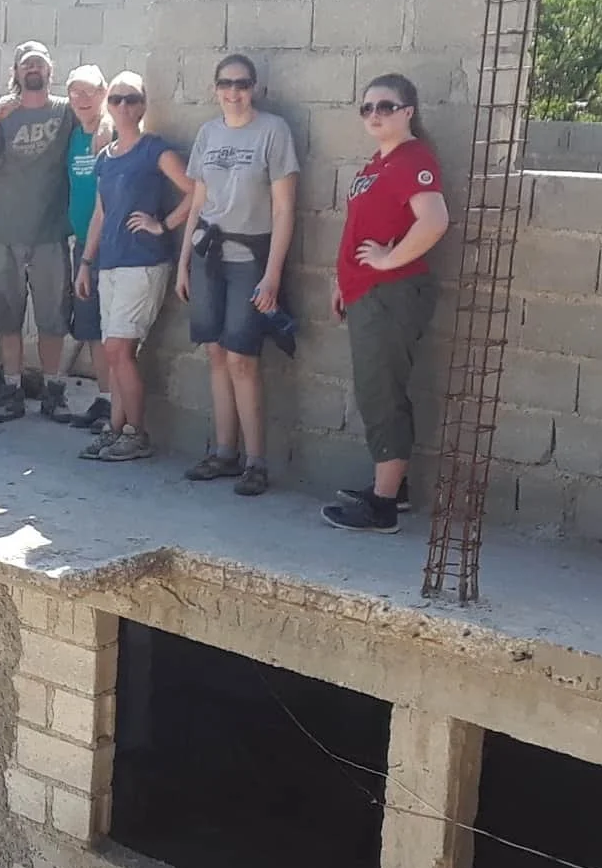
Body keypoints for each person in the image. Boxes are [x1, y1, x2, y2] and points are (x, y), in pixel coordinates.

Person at [322, 72, 451, 534]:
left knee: (380, 393)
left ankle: (381, 505)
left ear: (408, 112)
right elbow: (363, 229)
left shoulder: (412, 159)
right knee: (378, 389)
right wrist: (345, 279)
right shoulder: (379, 162)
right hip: (367, 293)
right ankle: (392, 491)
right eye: (367, 108)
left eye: (385, 106)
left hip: (390, 295)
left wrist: (387, 261)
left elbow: (434, 221)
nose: (375, 114)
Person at [178, 54, 301, 498]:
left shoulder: (273, 131)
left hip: (250, 258)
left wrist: (272, 276)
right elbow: (198, 202)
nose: (234, 92)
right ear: (215, 89)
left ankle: (256, 461)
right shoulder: (208, 133)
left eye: (242, 84)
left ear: (255, 87)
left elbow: (285, 208)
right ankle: (224, 452)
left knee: (242, 358)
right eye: (226, 84)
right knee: (214, 352)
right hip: (208, 254)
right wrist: (183, 263)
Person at [74, 72, 198, 462]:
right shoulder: (104, 158)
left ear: (143, 105)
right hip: (109, 263)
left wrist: (162, 225)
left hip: (143, 263)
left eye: (131, 100)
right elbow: (100, 213)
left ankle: (137, 434)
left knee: (118, 349)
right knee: (114, 353)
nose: (123, 107)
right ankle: (116, 431)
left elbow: (196, 190)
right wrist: (86, 262)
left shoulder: (154, 149)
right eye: (116, 100)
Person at [0, 41, 75, 421]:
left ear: (51, 71)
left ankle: (53, 391)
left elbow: (99, 126)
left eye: (40, 64)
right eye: (25, 64)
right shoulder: (4, 112)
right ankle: (11, 390)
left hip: (49, 233)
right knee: (7, 317)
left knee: (52, 318)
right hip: (4, 232)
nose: (33, 69)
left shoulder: (65, 111)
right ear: (14, 73)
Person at [62, 66, 114, 432]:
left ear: (104, 93)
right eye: (74, 92)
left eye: (90, 92)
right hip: (81, 243)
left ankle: (117, 405)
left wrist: (108, 120)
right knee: (92, 326)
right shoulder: (71, 135)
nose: (82, 99)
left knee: (112, 328)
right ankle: (105, 399)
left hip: (110, 245)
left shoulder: (110, 132)